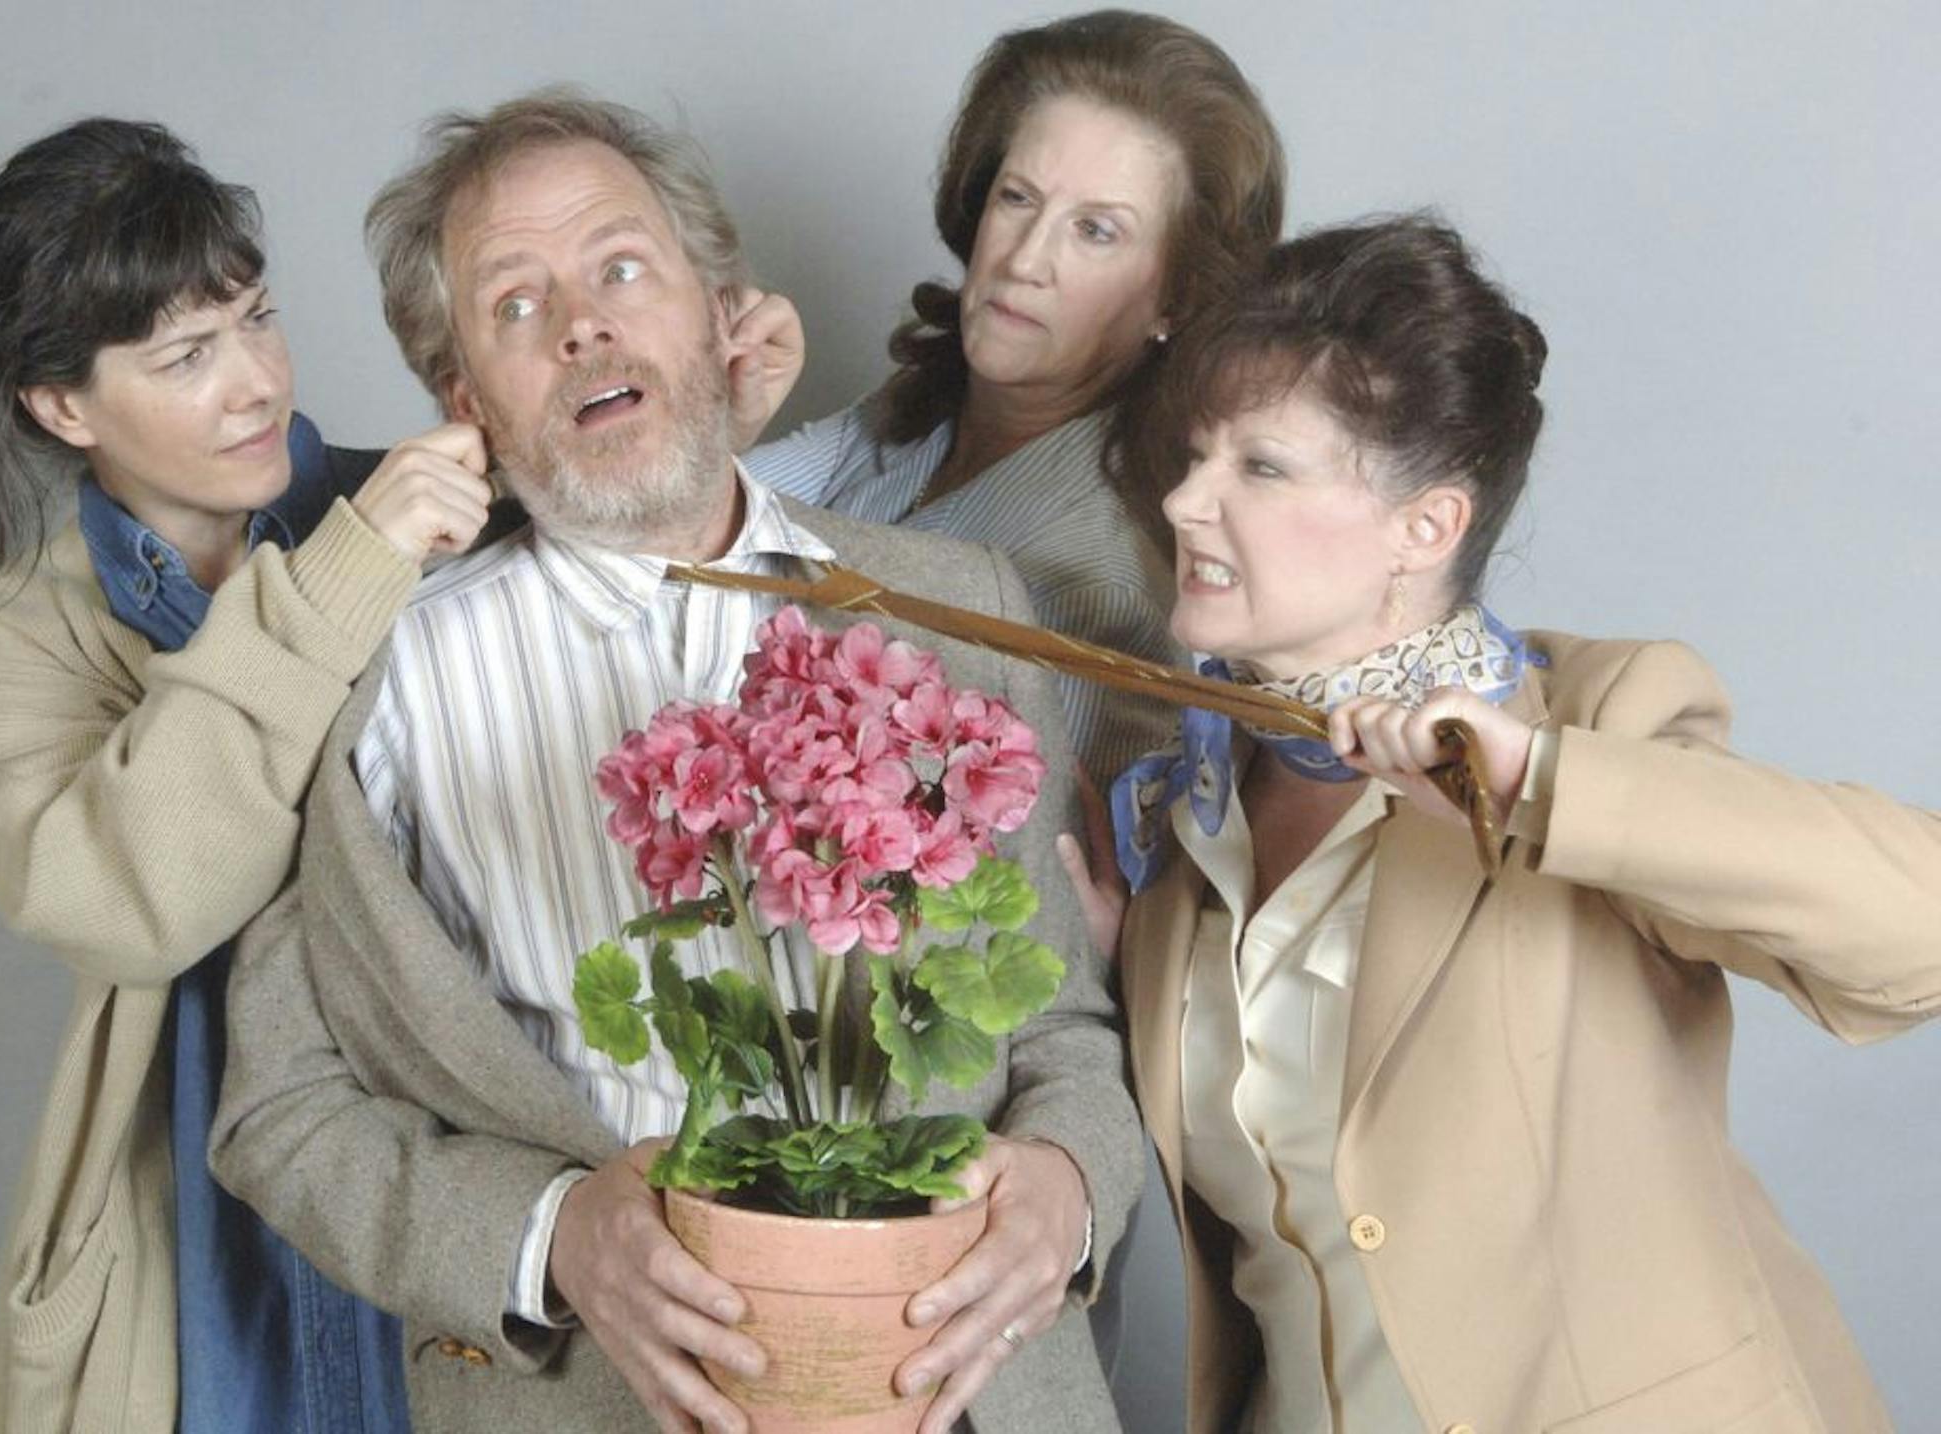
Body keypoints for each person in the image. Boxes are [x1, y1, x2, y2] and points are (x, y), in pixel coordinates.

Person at [0, 116, 797, 1434]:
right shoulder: (19, 639)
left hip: (460, 1171)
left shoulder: (425, 503)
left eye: (258, 320)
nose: (257, 384)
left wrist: (713, 406)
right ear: (62, 406)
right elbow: (133, 904)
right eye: (186, 356)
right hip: (207, 1204)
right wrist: (346, 575)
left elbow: (639, 551)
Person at [207, 92, 1141, 1434]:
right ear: (464, 397)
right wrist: (548, 1233)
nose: (581, 324)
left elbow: (1062, 1030)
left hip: (970, 1395)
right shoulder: (368, 683)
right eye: (514, 303)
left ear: (718, 309)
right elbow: (283, 1109)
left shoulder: (956, 613)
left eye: (623, 268)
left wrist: (1069, 1180)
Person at [1081, 216, 1941, 1431]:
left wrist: (1543, 784)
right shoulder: (1184, 816)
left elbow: (1920, 934)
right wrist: (1113, 975)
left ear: (1425, 527)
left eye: (1259, 467)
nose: (1183, 499)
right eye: (1195, 454)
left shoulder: (1593, 719)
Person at [748, 7, 1285, 785]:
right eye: (1018, 198)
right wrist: (727, 416)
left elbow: (1017, 868)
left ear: (1176, 297)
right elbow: (687, 533)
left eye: (1096, 231)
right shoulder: (922, 412)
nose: (1025, 260)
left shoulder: (1103, 585)